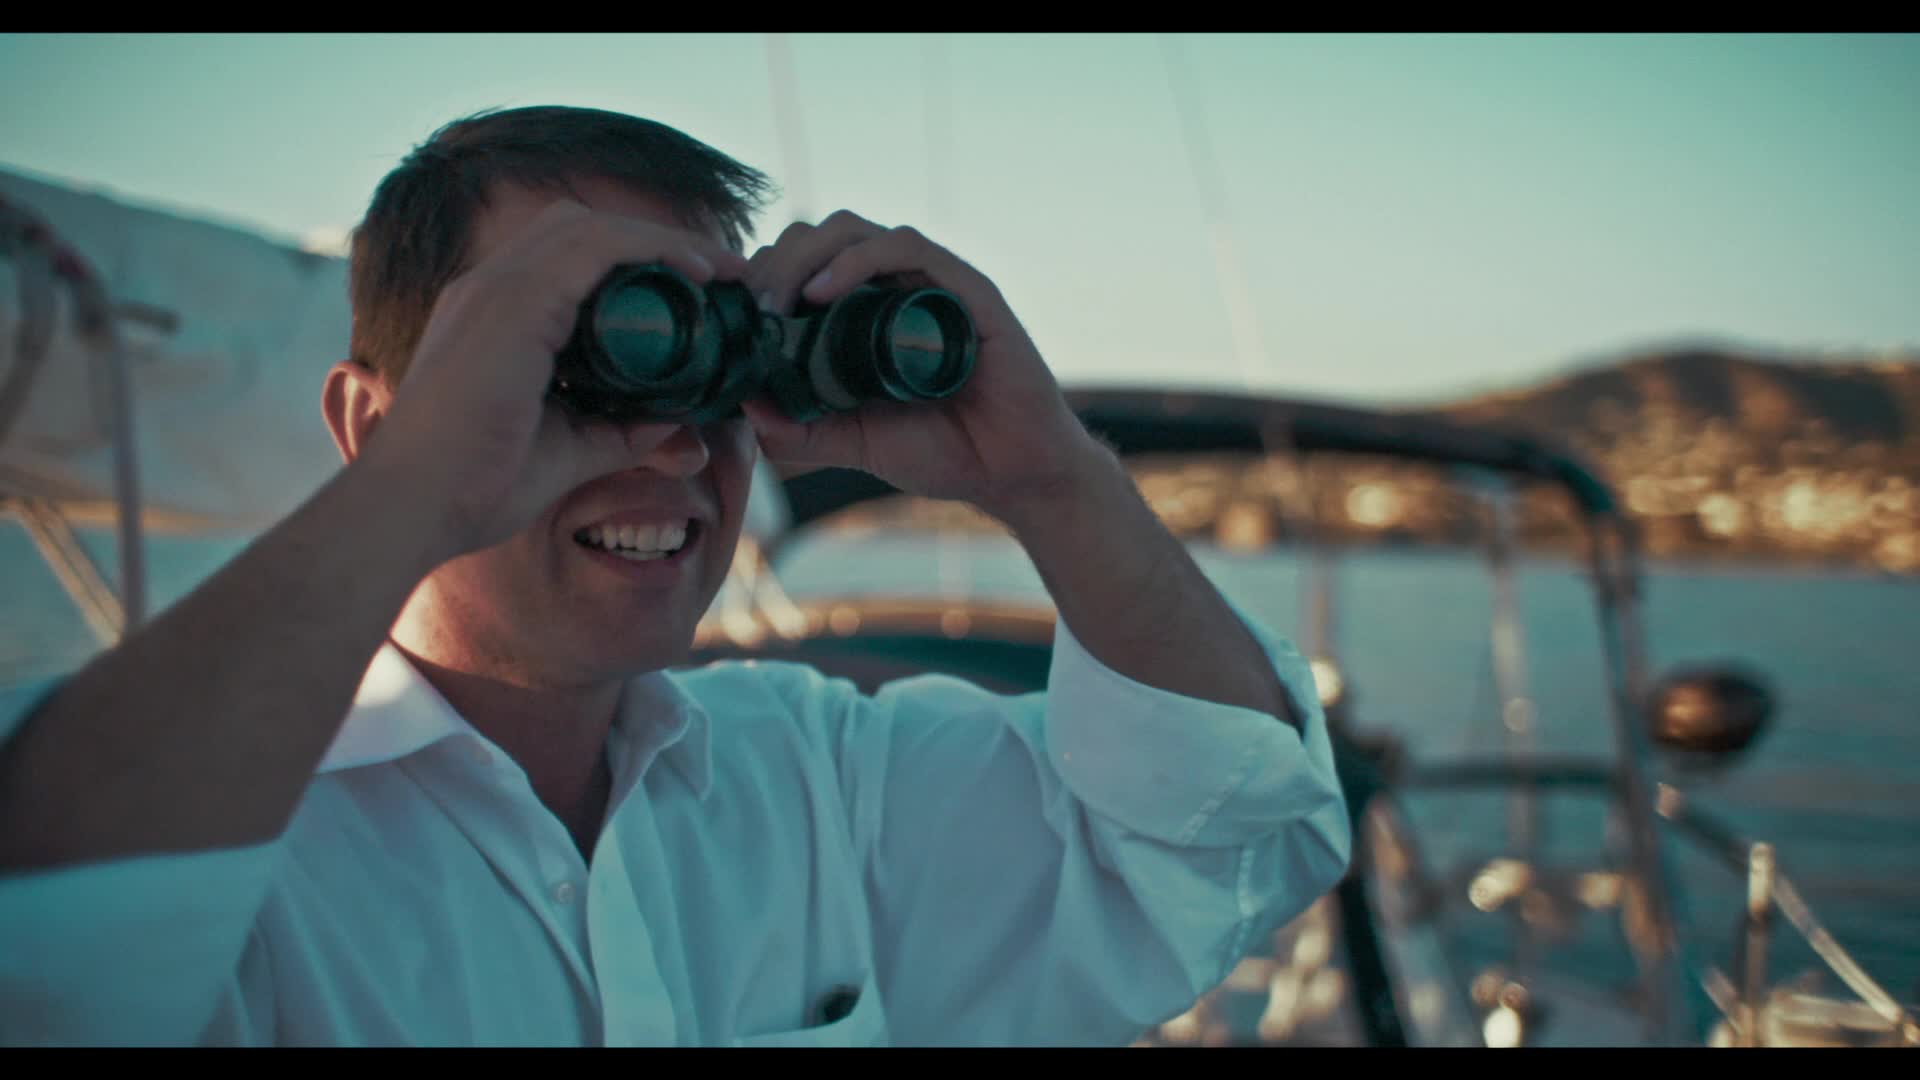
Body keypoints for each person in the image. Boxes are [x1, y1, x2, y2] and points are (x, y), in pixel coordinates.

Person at [0, 106, 1348, 1046]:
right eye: (583, 361)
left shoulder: (822, 778)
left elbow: (1226, 834)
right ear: (369, 423)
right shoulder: (224, 843)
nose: (671, 445)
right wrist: (417, 489)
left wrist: (1047, 471)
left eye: (714, 372)